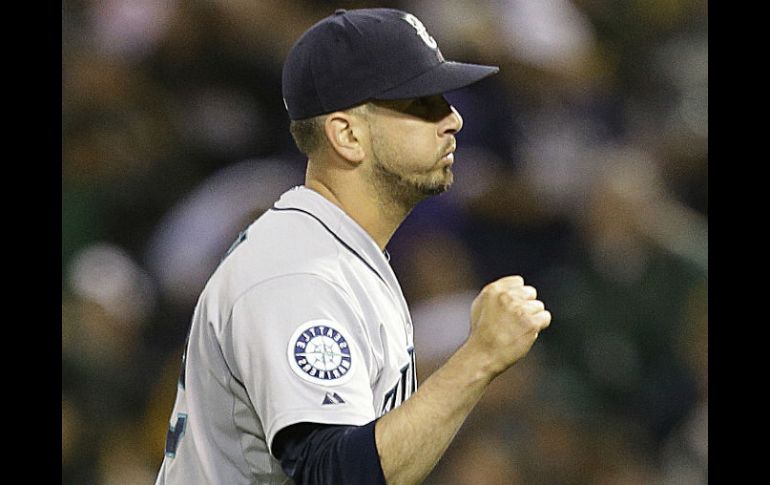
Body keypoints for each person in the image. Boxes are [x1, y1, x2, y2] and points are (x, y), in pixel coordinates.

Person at [154, 8, 551, 485]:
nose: (454, 119)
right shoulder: (297, 274)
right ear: (347, 134)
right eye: (421, 101)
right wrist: (478, 357)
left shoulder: (336, 253)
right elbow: (335, 475)